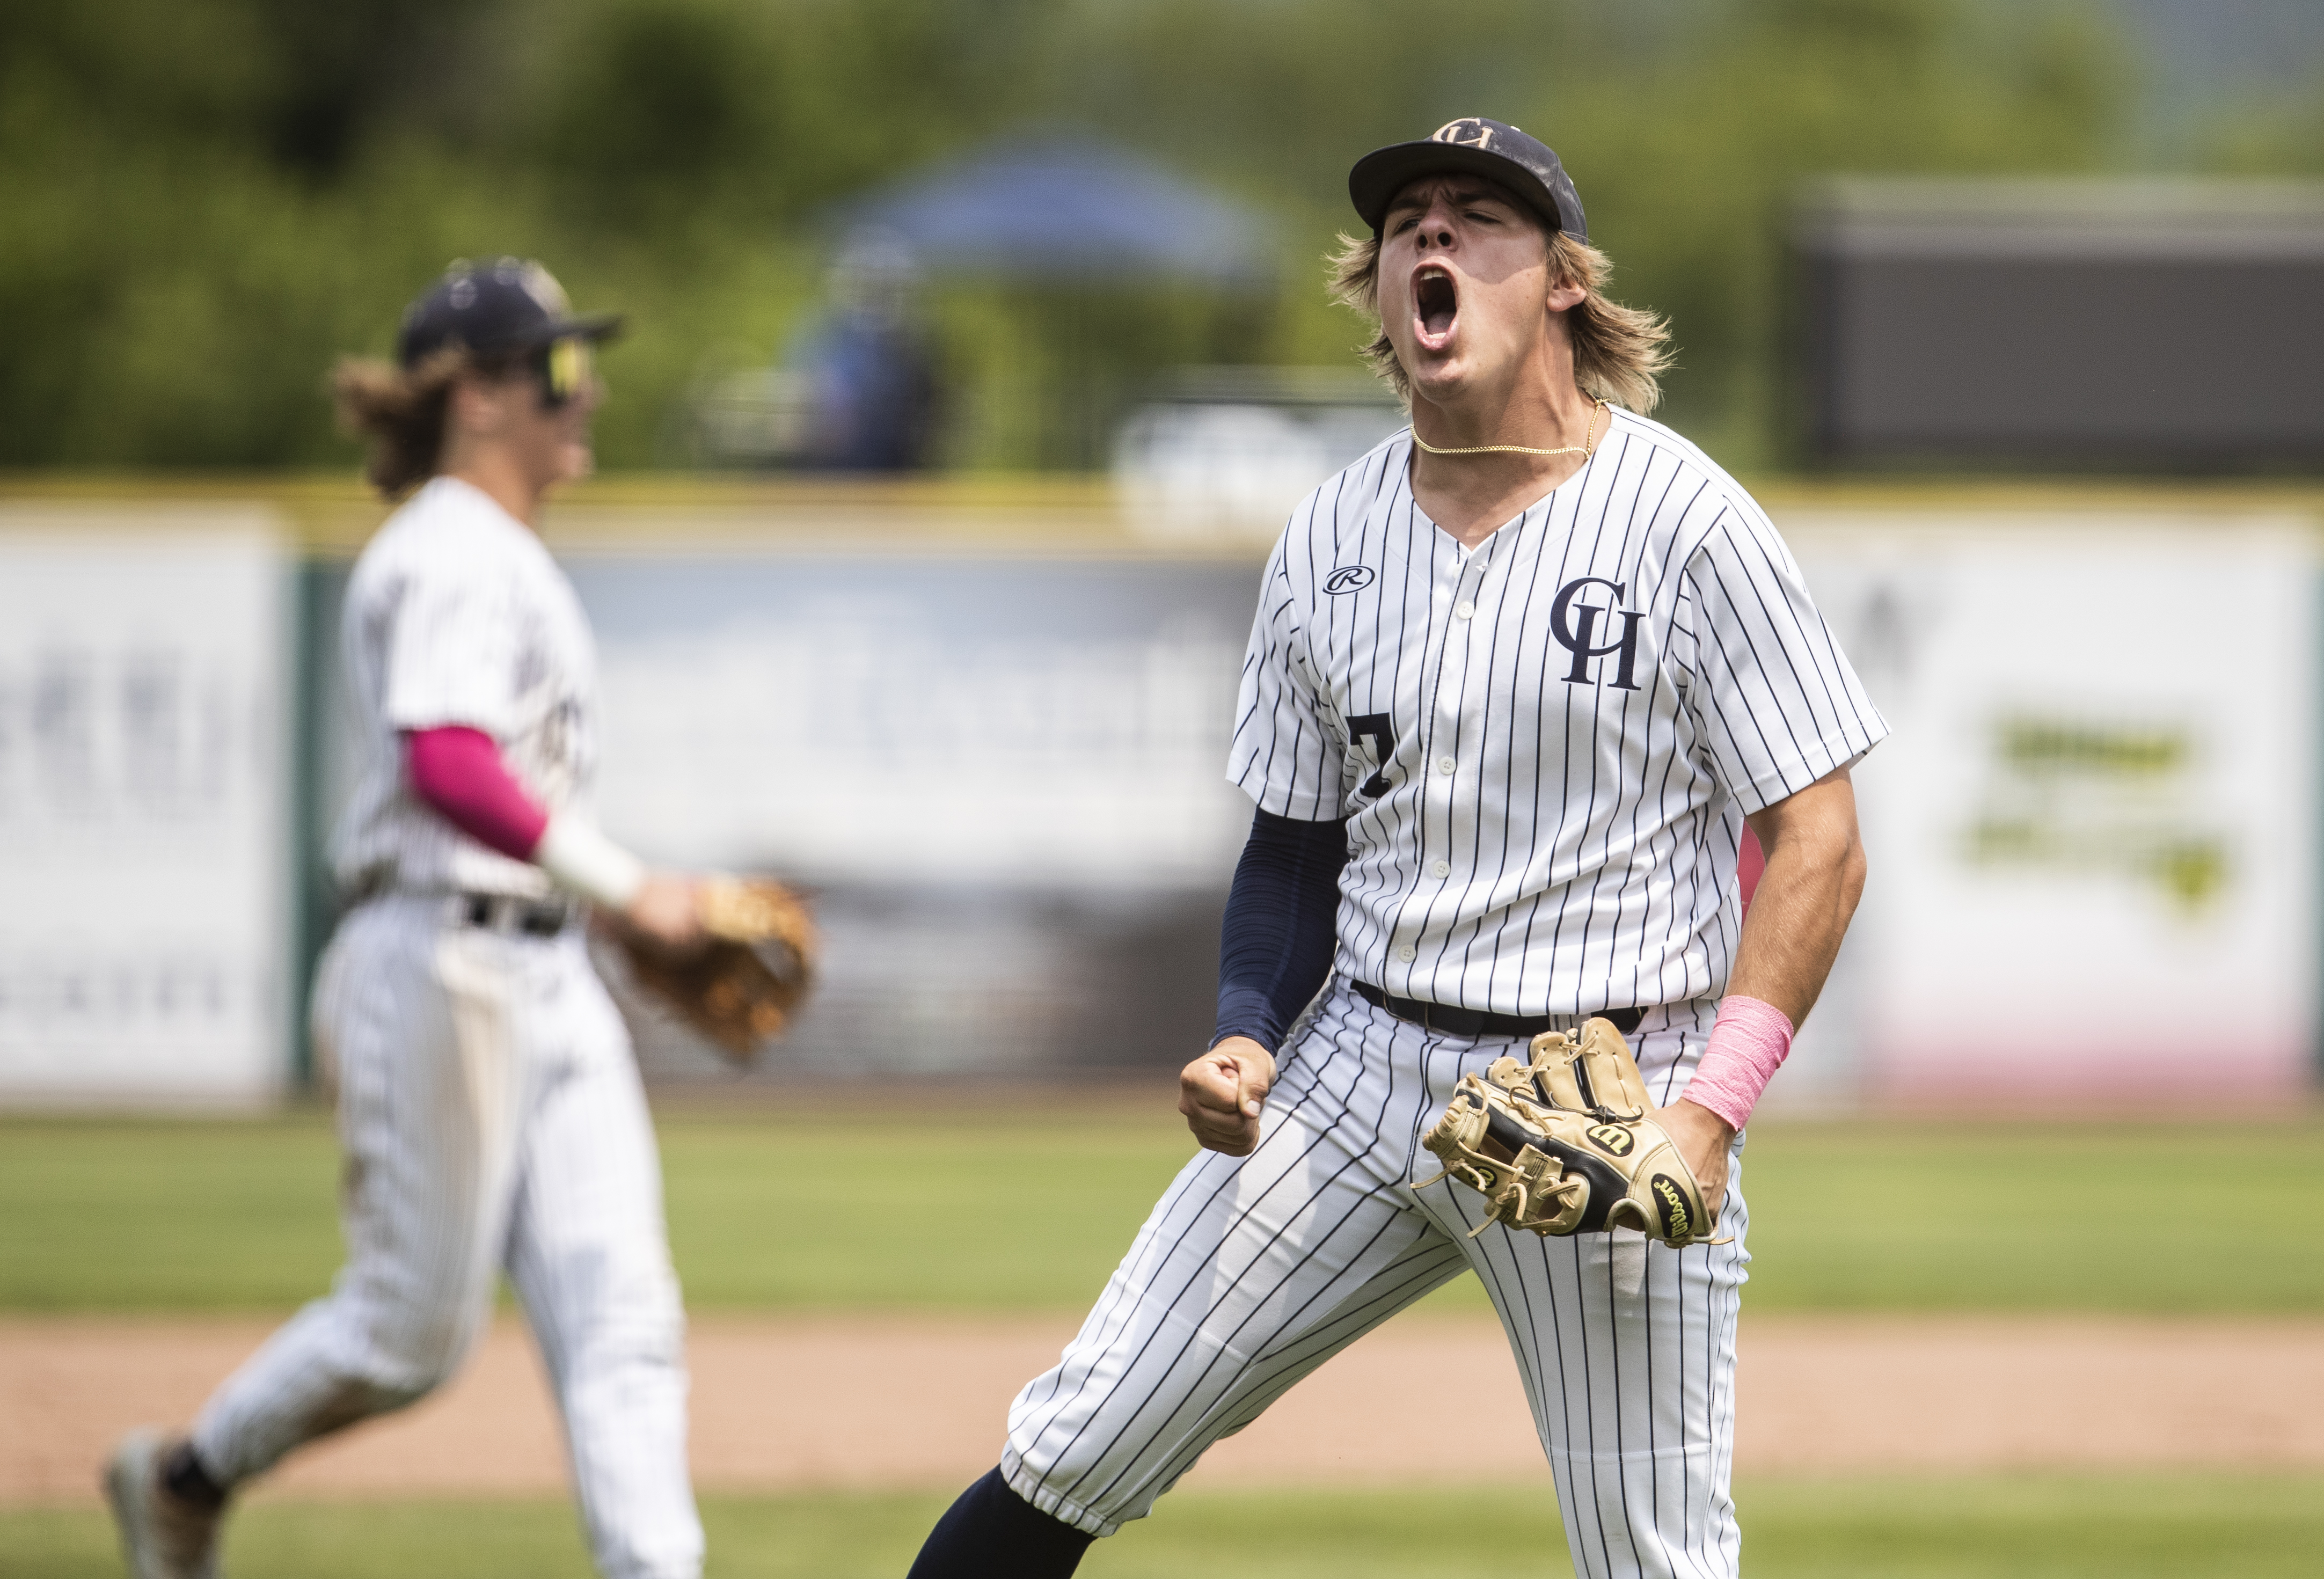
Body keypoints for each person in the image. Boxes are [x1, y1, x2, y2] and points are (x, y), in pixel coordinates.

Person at [903, 119, 1884, 1579]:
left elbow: (1817, 837)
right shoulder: (1330, 534)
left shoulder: (1686, 521)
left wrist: (1710, 1112)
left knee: (1654, 1558)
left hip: (1605, 1090)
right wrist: (1244, 1032)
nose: (1429, 239)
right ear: (1379, 289)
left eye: (1476, 216)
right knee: (1075, 1440)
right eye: (1405, 222)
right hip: (1355, 1067)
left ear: (1560, 277)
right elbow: (1292, 849)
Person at [104, 259, 711, 1579]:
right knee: (408, 1333)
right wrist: (629, 886)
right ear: (477, 397)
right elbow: (444, 762)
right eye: (555, 367)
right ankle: (184, 1479)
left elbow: (506, 795)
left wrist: (608, 918)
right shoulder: (443, 548)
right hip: (433, 960)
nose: (583, 388)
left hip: (545, 971)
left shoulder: (506, 557)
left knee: (623, 1316)